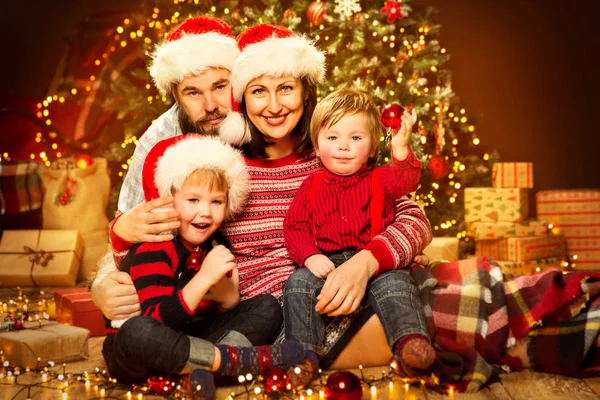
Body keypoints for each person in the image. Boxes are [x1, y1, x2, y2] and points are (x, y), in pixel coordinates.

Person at [94, 23, 432, 370]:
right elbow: (161, 241)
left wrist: (368, 260)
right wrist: (118, 241)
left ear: (305, 92)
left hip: (339, 287)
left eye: (286, 88)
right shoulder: (222, 167)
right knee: (421, 317)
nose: (273, 106)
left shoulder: (331, 152)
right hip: (269, 313)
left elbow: (411, 216)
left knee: (439, 292)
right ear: (242, 98)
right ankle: (243, 360)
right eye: (258, 91)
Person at [102, 134, 303, 399]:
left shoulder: (214, 244)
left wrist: (228, 296)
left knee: (265, 306)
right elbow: (156, 320)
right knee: (135, 332)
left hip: (192, 340)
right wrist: (203, 280)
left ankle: (204, 369)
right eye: (193, 200)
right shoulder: (155, 246)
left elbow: (224, 307)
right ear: (172, 198)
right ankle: (232, 362)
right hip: (142, 350)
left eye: (216, 202)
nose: (205, 212)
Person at [91, 16, 247, 324]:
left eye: (220, 86)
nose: (211, 104)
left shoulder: (262, 116)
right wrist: (101, 285)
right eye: (192, 93)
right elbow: (130, 233)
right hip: (181, 285)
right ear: (175, 95)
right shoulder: (158, 140)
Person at [282, 89, 435, 385]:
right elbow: (295, 227)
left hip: (375, 262)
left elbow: (407, 178)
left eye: (355, 138)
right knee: (297, 284)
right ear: (316, 146)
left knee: (397, 286)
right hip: (326, 263)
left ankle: (410, 344)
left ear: (372, 147)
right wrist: (309, 256)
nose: (343, 147)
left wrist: (401, 147)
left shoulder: (381, 180)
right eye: (332, 138)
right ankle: (303, 355)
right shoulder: (311, 185)